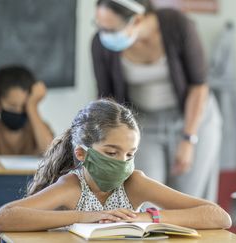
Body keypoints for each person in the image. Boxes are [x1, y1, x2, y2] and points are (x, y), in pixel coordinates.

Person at [0, 99, 231, 232]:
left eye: (129, 154)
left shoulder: (135, 183)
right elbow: (1, 219)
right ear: (82, 153)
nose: (122, 163)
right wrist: (85, 217)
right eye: (112, 152)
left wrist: (146, 217)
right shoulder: (72, 187)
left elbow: (219, 217)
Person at [91, 0, 222, 202]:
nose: (104, 34)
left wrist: (188, 139)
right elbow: (106, 98)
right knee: (144, 196)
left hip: (193, 119)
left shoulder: (177, 25)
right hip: (142, 124)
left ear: (137, 19)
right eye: (99, 26)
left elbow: (199, 85)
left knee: (188, 199)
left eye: (111, 28)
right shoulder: (101, 44)